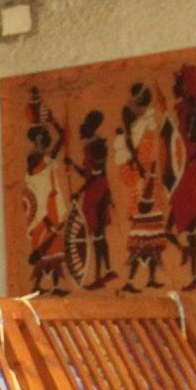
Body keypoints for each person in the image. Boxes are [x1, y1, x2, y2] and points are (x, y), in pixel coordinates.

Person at [116, 82, 166, 291]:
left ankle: (151, 277)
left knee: (153, 238)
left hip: (151, 182)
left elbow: (154, 150)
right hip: (141, 186)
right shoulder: (134, 131)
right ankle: (130, 281)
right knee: (140, 237)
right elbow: (127, 161)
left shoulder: (146, 126)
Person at [162, 64, 196, 286]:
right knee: (169, 228)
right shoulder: (181, 108)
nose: (176, 87)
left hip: (190, 166)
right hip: (182, 164)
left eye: (179, 83)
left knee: (190, 222)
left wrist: (190, 157)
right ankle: (186, 251)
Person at [22, 107, 71, 294]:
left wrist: (52, 121)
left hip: (51, 206)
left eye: (44, 139)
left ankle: (55, 286)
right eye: (40, 139)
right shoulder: (34, 159)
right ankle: (37, 286)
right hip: (40, 211)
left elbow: (62, 137)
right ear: (36, 140)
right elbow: (35, 186)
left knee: (54, 246)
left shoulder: (47, 158)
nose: (42, 142)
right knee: (43, 247)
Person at [70, 109, 115, 287]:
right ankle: (105, 272)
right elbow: (87, 173)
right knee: (98, 235)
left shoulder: (97, 146)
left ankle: (100, 275)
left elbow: (96, 175)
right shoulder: (90, 146)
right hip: (93, 193)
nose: (80, 135)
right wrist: (72, 165)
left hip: (98, 193)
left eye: (82, 131)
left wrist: (79, 191)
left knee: (98, 235)